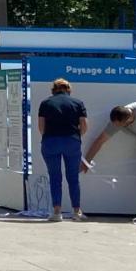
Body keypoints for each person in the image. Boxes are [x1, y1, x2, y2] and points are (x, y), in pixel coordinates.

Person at [38, 78, 88, 222]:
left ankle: (57, 212)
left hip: (50, 141)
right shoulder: (78, 103)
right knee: (73, 178)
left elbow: (41, 127)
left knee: (55, 177)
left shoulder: (45, 103)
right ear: (69, 89)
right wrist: (76, 136)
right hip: (72, 142)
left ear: (53, 89)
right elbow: (84, 126)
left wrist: (49, 136)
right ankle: (77, 211)